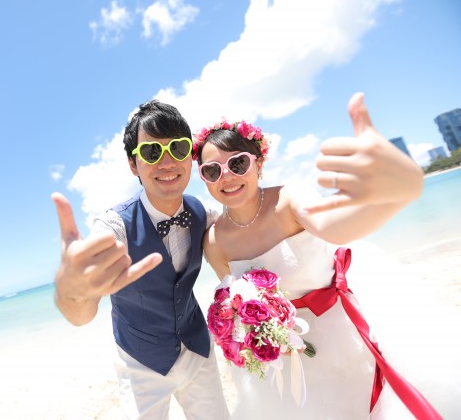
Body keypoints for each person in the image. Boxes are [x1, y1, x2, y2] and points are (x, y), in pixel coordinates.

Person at [194, 92, 457, 419]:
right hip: (286, 361)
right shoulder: (214, 241)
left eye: (237, 163)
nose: (227, 176)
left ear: (258, 163)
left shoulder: (289, 200)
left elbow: (336, 227)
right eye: (212, 171)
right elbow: (233, 305)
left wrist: (394, 196)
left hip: (343, 337)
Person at [51, 100, 230, 419]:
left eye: (177, 148)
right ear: (134, 164)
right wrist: (71, 291)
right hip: (140, 363)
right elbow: (81, 315)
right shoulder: (113, 227)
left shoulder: (203, 213)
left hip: (198, 349)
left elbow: (244, 229)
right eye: (151, 152)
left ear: (190, 156)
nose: (167, 162)